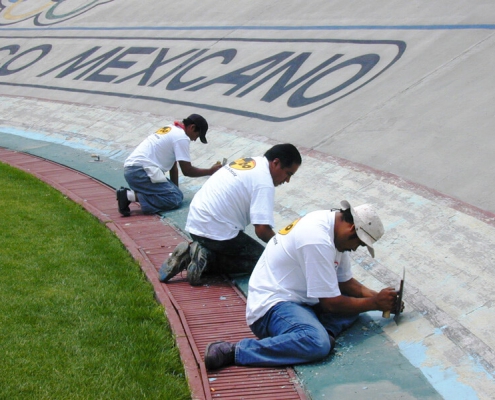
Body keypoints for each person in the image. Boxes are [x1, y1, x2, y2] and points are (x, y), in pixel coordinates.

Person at [203, 200, 401, 370]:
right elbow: (331, 303)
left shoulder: (334, 229)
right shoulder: (317, 239)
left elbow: (345, 282)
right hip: (272, 306)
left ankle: (320, 332)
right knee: (318, 344)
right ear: (352, 229)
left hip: (302, 302)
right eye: (359, 244)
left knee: (355, 303)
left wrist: (382, 299)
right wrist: (375, 303)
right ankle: (234, 351)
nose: (356, 249)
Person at [158, 143, 302, 286]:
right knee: (261, 262)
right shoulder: (264, 182)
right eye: (288, 173)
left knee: (237, 247)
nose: (287, 180)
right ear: (276, 163)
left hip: (195, 224)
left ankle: (195, 252)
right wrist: (284, 249)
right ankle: (205, 259)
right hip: (215, 233)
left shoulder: (250, 161)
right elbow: (262, 230)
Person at [116, 113, 222, 216]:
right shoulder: (181, 137)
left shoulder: (171, 129)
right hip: (140, 172)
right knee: (174, 199)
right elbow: (187, 171)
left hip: (134, 170)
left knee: (176, 195)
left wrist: (175, 190)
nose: (194, 139)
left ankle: (132, 195)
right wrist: (210, 171)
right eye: (197, 135)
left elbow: (173, 167)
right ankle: (129, 196)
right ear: (192, 127)